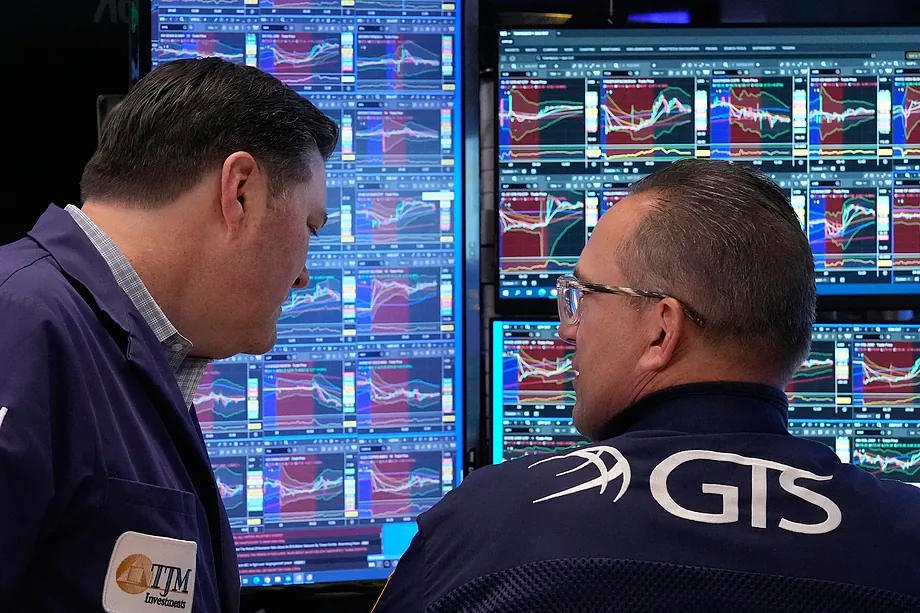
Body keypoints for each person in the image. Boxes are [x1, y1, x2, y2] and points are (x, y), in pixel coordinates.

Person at [375, 159, 920, 612]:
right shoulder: (904, 539)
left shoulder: (483, 528)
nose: (567, 327)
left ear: (663, 328)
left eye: (583, 296)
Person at [0, 57, 338, 611]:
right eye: (309, 227)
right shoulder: (19, 327)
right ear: (240, 192)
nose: (304, 276)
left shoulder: (120, 351)